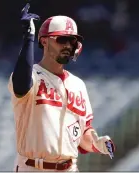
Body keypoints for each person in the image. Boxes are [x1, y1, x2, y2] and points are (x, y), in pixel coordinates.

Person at [8, 3, 115, 172]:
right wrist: (28, 38)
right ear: (44, 41)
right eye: (62, 39)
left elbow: (82, 133)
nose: (68, 45)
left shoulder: (78, 85)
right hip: (32, 167)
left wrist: (95, 143)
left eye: (73, 41)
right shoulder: (32, 75)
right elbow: (21, 86)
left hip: (69, 168)